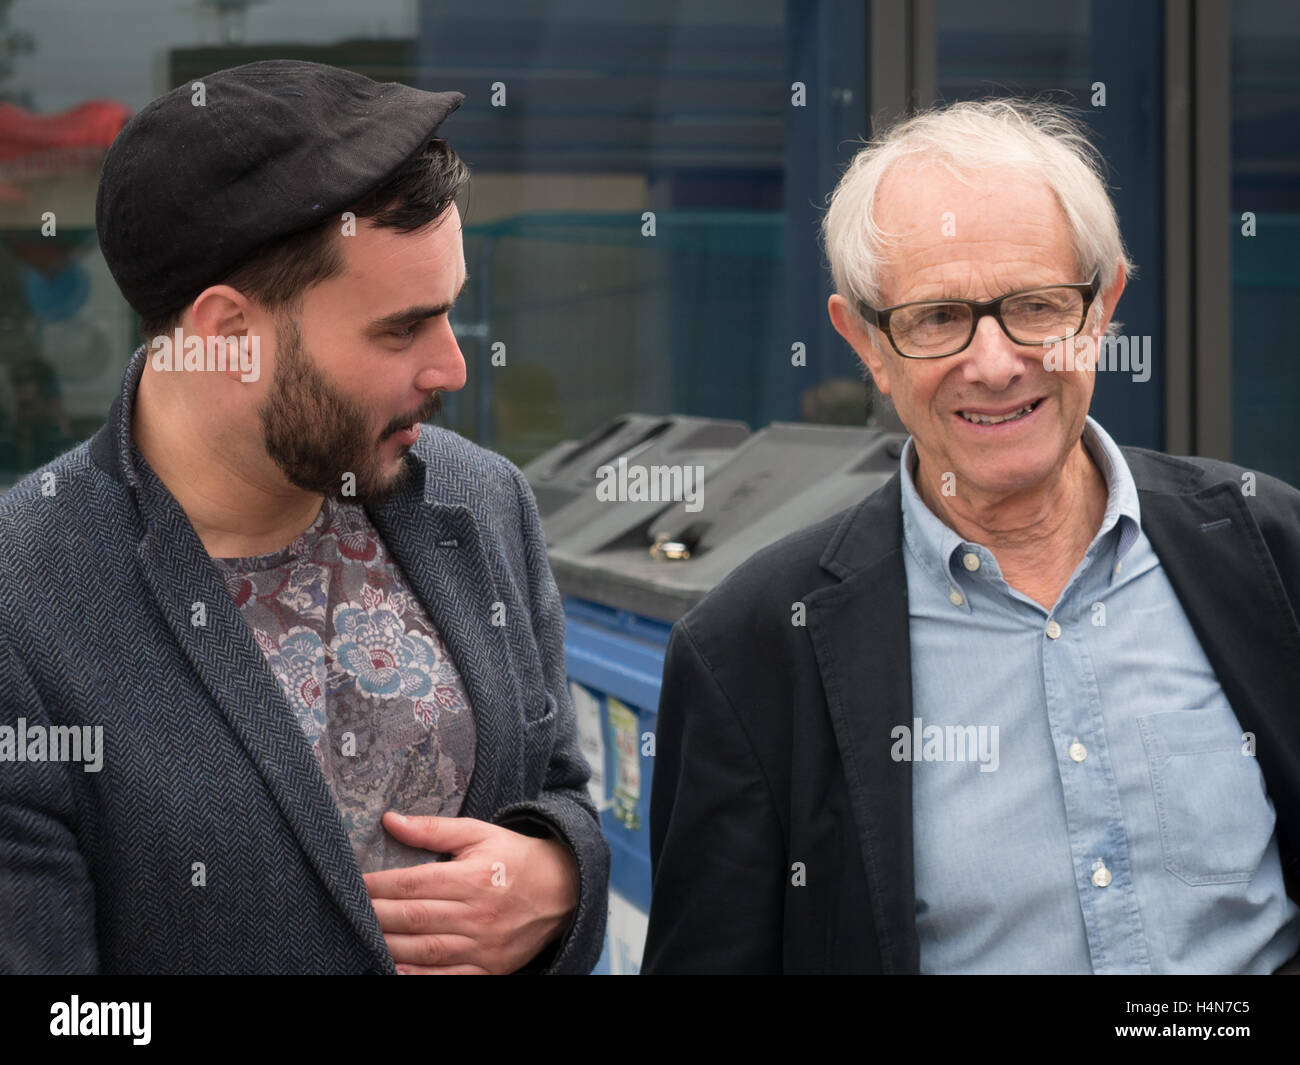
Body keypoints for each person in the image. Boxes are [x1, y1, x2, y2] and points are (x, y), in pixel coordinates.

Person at [642, 98, 1300, 974]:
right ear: (866, 343)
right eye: (937, 318)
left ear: (1102, 308)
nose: (994, 363)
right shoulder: (752, 652)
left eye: (1036, 305)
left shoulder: (1272, 552)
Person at [0, 60, 608, 974]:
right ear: (227, 335)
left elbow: (557, 785)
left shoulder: (482, 502)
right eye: (401, 329)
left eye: (452, 314)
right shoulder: (25, 601)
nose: (452, 367)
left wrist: (556, 878)